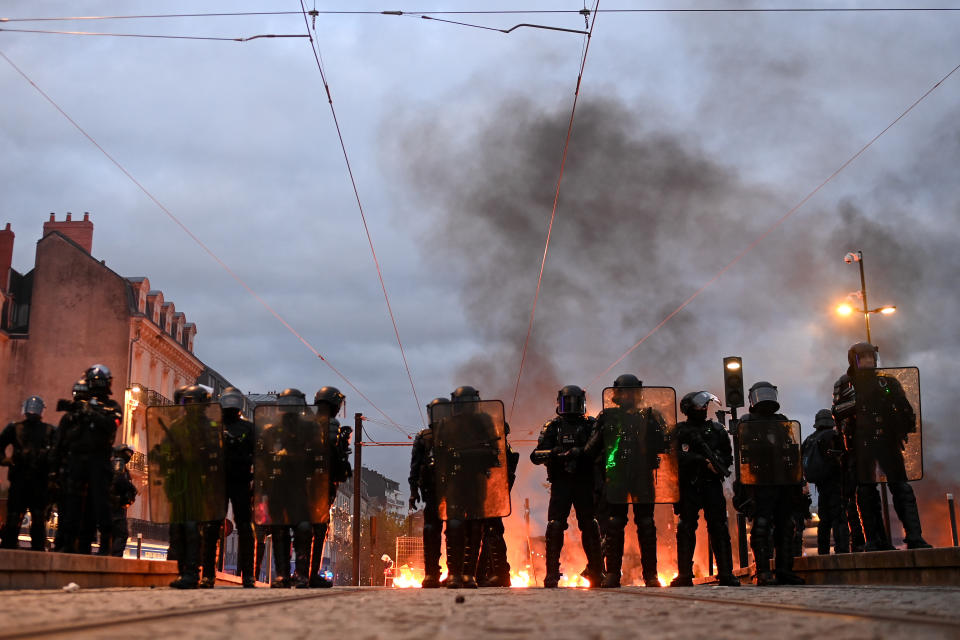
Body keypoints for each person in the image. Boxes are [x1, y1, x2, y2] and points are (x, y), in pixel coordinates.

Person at [833, 342, 930, 550]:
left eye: (871, 356)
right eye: (864, 357)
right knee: (866, 492)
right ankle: (875, 540)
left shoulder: (887, 382)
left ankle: (914, 537)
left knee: (902, 488)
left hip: (887, 441)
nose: (869, 360)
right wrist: (859, 402)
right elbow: (838, 411)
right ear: (854, 360)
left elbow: (905, 409)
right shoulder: (846, 383)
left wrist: (902, 425)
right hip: (861, 444)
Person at [587, 374, 670, 588]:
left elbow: (665, 445)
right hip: (616, 475)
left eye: (633, 391)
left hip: (642, 474)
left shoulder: (651, 416)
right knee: (614, 524)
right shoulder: (607, 416)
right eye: (625, 391)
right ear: (617, 394)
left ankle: (650, 575)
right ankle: (613, 573)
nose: (629, 395)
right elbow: (592, 448)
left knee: (646, 524)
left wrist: (655, 429)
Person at [530, 385, 603, 588]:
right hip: (561, 482)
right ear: (559, 403)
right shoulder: (553, 427)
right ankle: (552, 573)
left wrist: (579, 453)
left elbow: (600, 451)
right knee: (554, 525)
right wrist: (554, 452)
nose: (570, 407)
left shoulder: (591, 425)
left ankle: (597, 571)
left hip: (584, 480)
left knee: (589, 525)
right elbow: (535, 456)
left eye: (574, 402)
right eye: (566, 402)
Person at [736, 381, 804, 586]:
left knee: (786, 526)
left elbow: (791, 449)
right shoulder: (746, 423)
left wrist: (796, 480)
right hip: (759, 483)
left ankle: (784, 570)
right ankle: (762, 570)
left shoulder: (782, 421)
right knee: (761, 526)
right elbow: (743, 457)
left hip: (782, 480)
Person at [437, 386, 505, 589]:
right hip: (462, 479)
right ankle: (459, 575)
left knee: (471, 526)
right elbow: (439, 455)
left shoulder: (479, 422)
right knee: (460, 526)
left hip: (471, 478)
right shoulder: (450, 424)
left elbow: (494, 453)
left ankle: (464, 575)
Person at [670, 391, 739, 587]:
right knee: (686, 527)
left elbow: (727, 457)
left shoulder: (717, 430)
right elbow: (673, 457)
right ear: (688, 409)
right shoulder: (680, 431)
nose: (703, 409)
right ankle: (684, 574)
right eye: (699, 406)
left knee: (719, 527)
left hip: (711, 484)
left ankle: (726, 572)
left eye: (704, 406)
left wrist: (716, 464)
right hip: (689, 484)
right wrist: (700, 460)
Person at [51, 365, 121, 554]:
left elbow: (111, 425)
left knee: (100, 502)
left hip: (99, 459)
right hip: (77, 459)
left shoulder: (111, 407)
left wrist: (91, 412)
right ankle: (69, 542)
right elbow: (62, 439)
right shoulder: (78, 408)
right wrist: (54, 470)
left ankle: (105, 544)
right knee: (72, 503)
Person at [205, 387, 255, 587]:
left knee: (242, 528)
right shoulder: (217, 427)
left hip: (239, 480)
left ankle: (246, 575)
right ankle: (210, 573)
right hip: (225, 481)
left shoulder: (245, 428)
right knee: (215, 527)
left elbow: (258, 454)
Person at [0, 396, 56, 551]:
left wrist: (52, 472)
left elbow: (60, 452)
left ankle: (35, 548)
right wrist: (5, 459)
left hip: (39, 481)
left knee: (38, 518)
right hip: (20, 479)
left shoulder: (49, 430)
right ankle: (9, 546)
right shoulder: (14, 428)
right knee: (14, 517)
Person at [307, 386, 346, 588]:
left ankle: (296, 573)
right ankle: (312, 574)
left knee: (301, 528)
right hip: (323, 486)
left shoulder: (303, 423)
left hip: (300, 485)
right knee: (319, 529)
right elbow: (338, 462)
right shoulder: (333, 426)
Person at [409, 398, 448, 588]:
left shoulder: (424, 437)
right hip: (439, 490)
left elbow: (414, 468)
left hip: (438, 490)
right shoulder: (456, 436)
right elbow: (415, 468)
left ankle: (434, 574)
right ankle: (442, 573)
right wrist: (413, 491)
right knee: (443, 528)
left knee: (434, 529)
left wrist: (413, 492)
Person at [801, 409, 849, 555]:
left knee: (824, 519)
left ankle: (823, 551)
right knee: (839, 517)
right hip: (835, 482)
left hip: (821, 485)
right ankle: (842, 549)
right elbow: (844, 459)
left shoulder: (810, 440)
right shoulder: (833, 436)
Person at [108, 444, 138, 557]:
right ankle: (115, 557)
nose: (129, 456)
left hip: (115, 506)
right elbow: (119, 479)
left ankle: (111, 557)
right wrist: (131, 488)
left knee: (113, 535)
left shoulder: (122, 466)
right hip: (115, 506)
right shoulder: (118, 462)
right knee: (121, 534)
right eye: (127, 453)